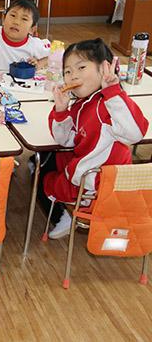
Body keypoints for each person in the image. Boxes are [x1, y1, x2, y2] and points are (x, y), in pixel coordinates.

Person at [38, 38, 149, 238]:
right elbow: (67, 141)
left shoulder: (108, 103)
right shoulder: (83, 103)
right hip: (85, 167)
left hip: (94, 184)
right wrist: (61, 110)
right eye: (68, 71)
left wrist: (113, 91)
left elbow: (135, 133)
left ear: (104, 69)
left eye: (81, 67)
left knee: (41, 178)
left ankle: (66, 214)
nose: (73, 76)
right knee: (46, 157)